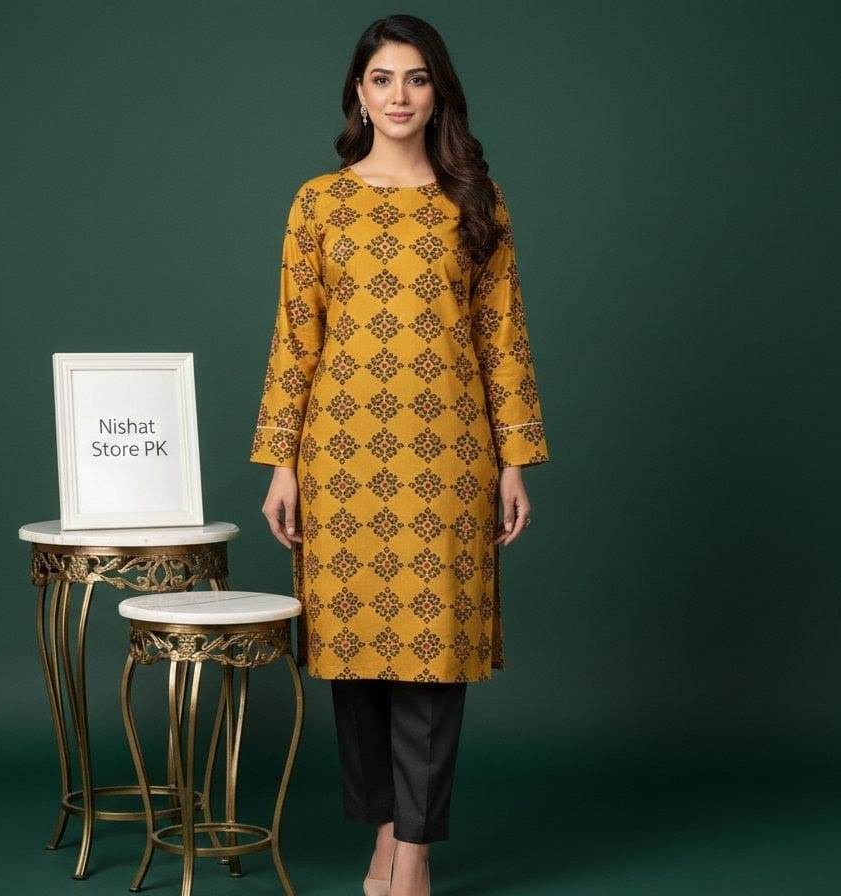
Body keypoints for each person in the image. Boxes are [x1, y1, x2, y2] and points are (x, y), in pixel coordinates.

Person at [251, 14, 548, 896]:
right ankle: (386, 834)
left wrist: (514, 459)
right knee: (355, 656)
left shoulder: (477, 202)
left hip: (449, 458)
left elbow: (502, 335)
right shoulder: (319, 203)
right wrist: (281, 462)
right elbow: (295, 338)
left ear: (439, 92)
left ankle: (412, 859)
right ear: (358, 92)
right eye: (382, 79)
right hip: (339, 459)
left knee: (433, 655)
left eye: (416, 78)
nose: (399, 96)